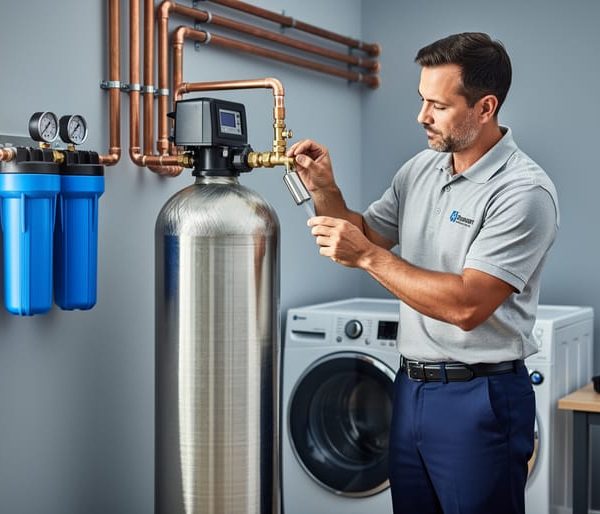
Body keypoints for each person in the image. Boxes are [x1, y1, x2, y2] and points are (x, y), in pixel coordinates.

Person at [287, 32, 559, 514]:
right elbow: (366, 232)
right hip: (409, 388)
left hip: (481, 397)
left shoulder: (523, 192)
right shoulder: (421, 170)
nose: (422, 117)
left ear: (485, 107)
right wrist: (325, 189)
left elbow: (467, 305)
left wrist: (369, 259)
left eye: (438, 105)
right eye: (421, 100)